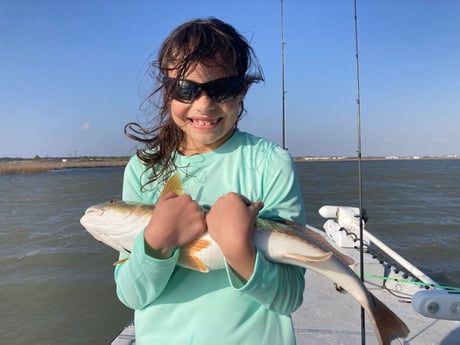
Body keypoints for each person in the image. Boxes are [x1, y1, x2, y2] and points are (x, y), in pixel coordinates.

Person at [115, 17, 307, 345]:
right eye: (186, 89)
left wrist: (239, 251)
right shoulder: (142, 169)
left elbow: (289, 298)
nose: (203, 104)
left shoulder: (270, 163)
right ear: (167, 92)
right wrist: (156, 243)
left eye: (221, 88)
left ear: (242, 89)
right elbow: (132, 295)